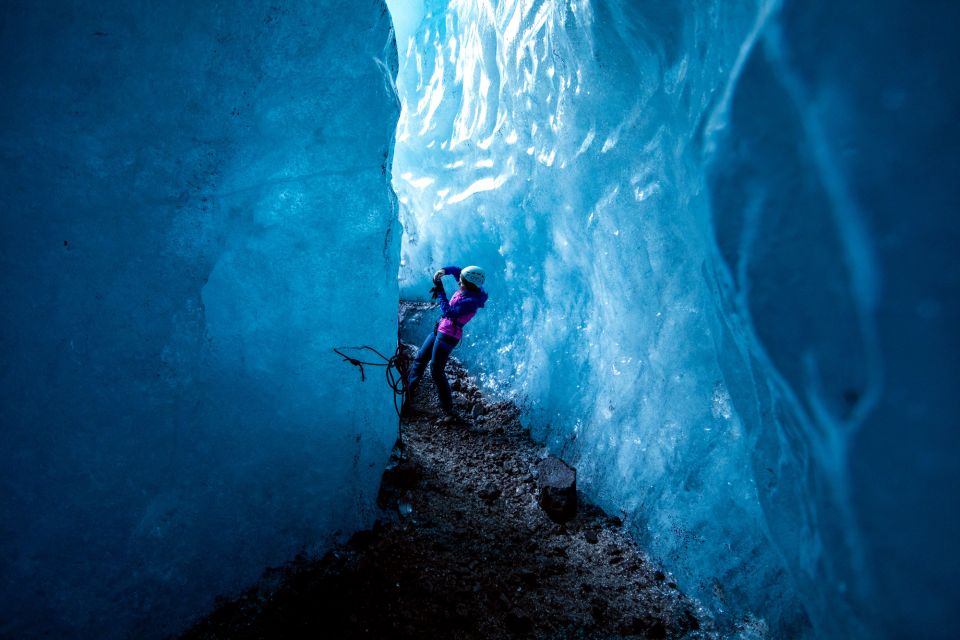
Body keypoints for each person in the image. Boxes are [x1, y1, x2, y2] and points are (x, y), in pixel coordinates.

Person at [404, 265, 488, 420]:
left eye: (461, 282)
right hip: (440, 329)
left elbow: (448, 312)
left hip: (448, 336)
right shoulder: (469, 288)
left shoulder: (470, 301)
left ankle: (447, 408)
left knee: (436, 370)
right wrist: (444, 271)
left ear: (469, 284)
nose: (459, 283)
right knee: (420, 360)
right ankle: (407, 397)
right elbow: (458, 271)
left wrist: (440, 290)